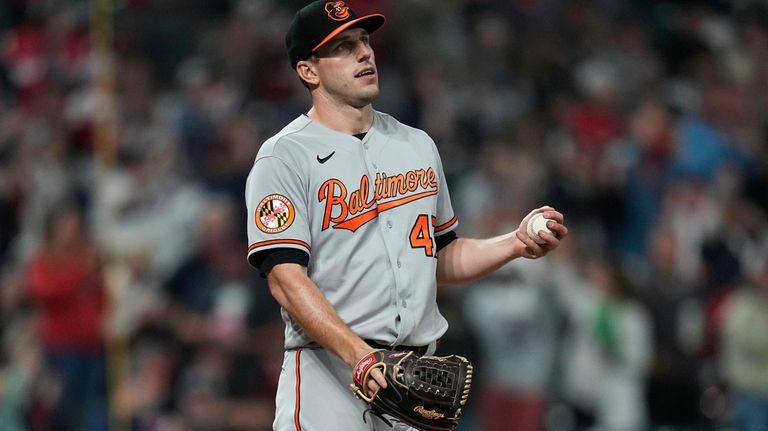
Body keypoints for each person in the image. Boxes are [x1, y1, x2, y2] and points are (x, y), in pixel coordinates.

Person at [244, 1, 568, 429]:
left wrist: (514, 243)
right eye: (342, 47)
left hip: (415, 380)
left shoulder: (416, 145)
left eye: (363, 41)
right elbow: (285, 280)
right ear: (308, 71)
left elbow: (439, 257)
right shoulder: (285, 156)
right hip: (329, 375)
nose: (364, 53)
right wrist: (358, 355)